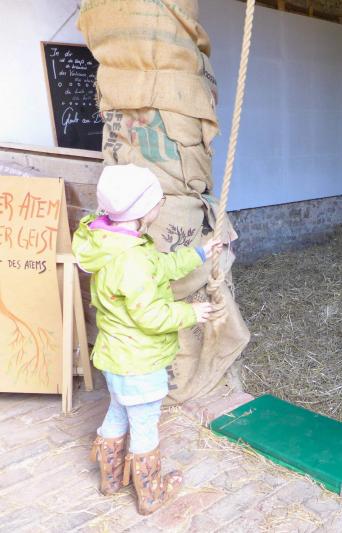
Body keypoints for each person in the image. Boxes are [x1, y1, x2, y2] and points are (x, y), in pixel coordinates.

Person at [72, 164, 222, 515]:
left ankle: (110, 480)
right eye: (157, 202)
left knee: (117, 411)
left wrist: (199, 253)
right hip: (139, 361)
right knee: (144, 426)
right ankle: (151, 494)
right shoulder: (133, 259)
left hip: (116, 358)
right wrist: (190, 313)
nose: (161, 205)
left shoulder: (113, 242)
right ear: (142, 209)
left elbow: (159, 268)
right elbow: (150, 315)